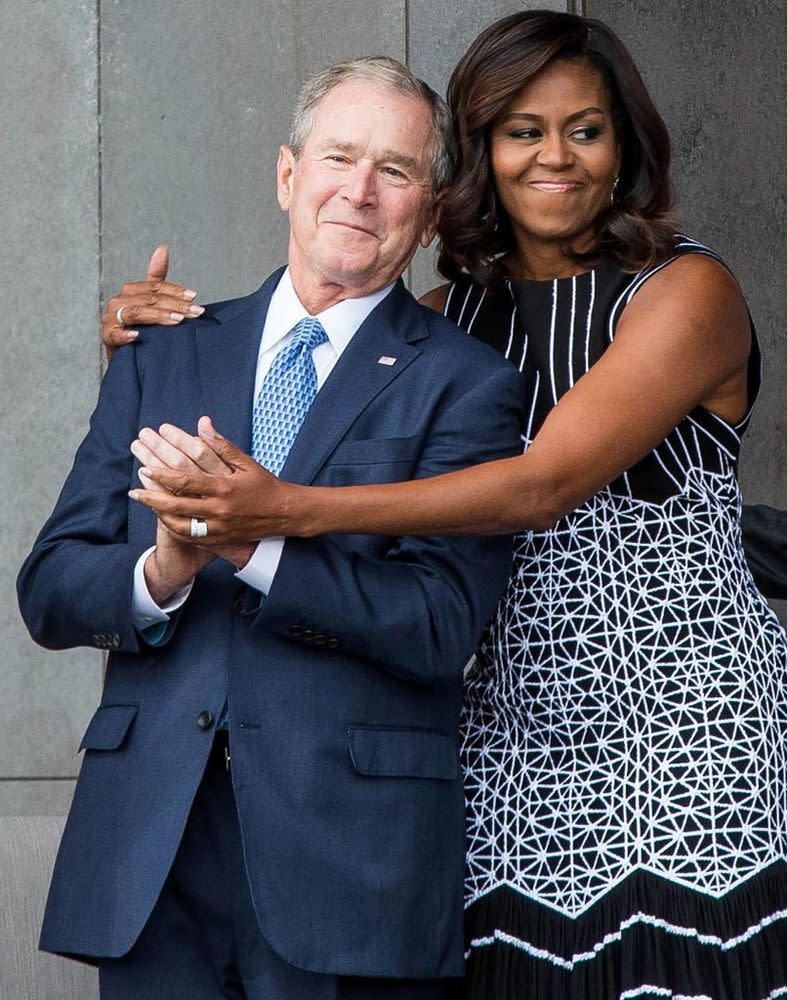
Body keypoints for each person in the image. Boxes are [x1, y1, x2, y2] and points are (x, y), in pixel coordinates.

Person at [105, 11, 787, 1000]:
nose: (555, 156)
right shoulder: (437, 321)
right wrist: (144, 361)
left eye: (585, 130)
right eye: (522, 131)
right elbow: (279, 416)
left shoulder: (684, 291)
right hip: (504, 743)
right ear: (478, 154)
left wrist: (282, 510)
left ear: (624, 148)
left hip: (689, 741)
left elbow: (541, 484)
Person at [17, 57, 527, 1000]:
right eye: (338, 157)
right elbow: (49, 588)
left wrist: (253, 546)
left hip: (347, 861)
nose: (360, 191)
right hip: (150, 854)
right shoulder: (162, 351)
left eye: (396, 170)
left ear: (428, 208)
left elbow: (438, 625)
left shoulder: (468, 384)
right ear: (288, 176)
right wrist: (164, 568)